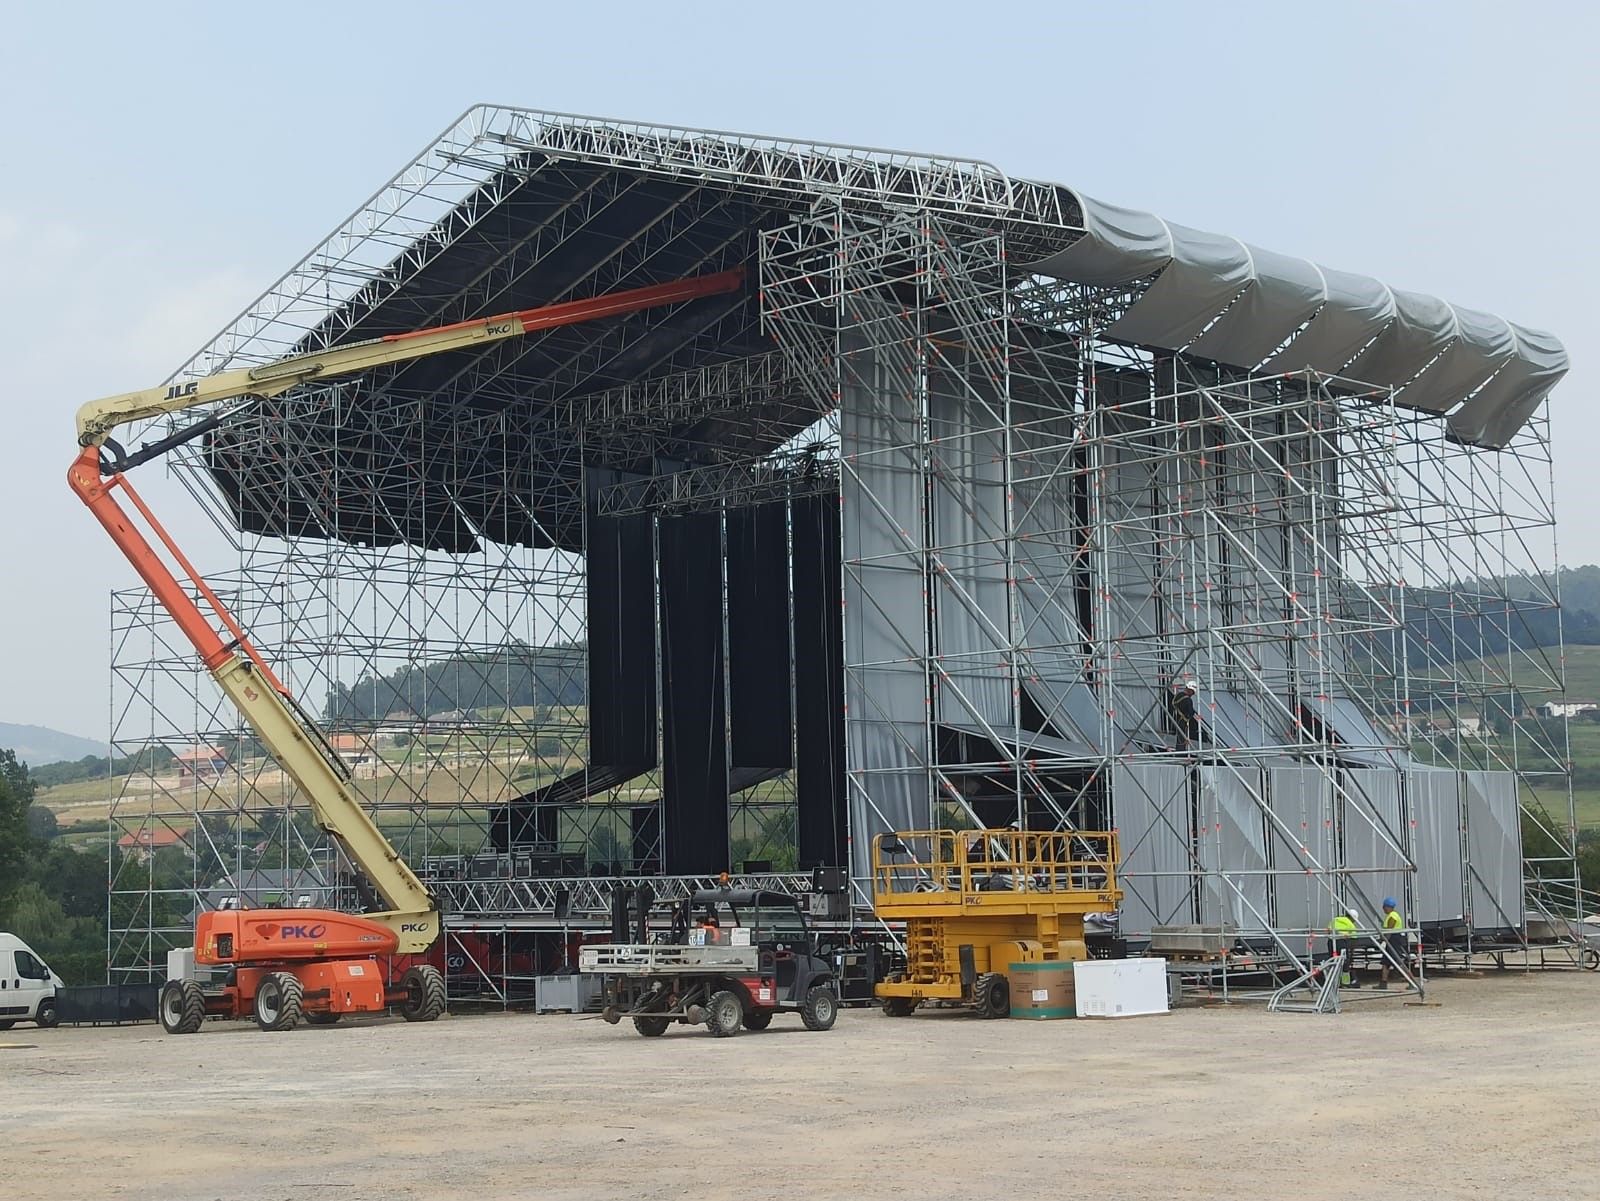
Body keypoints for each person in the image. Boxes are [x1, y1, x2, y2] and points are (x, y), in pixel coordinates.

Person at [1328, 907, 1360, 988]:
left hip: (1331, 941)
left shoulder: (1335, 919)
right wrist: (1351, 953)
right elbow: (1354, 939)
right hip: (1341, 942)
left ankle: (1333, 982)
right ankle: (1345, 983)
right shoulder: (1350, 924)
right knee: (1345, 963)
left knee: (1333, 962)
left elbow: (1328, 930)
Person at [1378, 898, 1406, 990]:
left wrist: (1384, 940)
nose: (1383, 909)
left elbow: (1390, 930)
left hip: (1393, 940)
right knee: (1386, 962)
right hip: (1392, 940)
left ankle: (1411, 980)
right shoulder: (1391, 915)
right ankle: (1383, 982)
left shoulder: (1392, 916)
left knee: (1397, 960)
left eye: (1384, 907)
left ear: (1388, 907)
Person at [1169, 679, 1202, 750]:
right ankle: (1181, 755)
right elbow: (1190, 712)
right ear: (1190, 690)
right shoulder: (1188, 700)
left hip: (1175, 719)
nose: (1192, 695)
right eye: (1192, 693)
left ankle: (1179, 753)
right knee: (1182, 739)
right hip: (1182, 722)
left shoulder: (1178, 696)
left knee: (1179, 739)